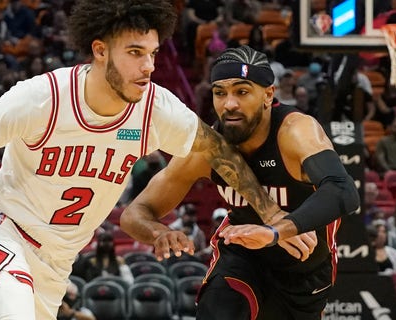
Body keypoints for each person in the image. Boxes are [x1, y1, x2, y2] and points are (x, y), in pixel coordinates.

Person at [0, 2, 288, 319]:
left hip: (58, 262)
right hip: (2, 233)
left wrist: (273, 214)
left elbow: (220, 152)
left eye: (152, 53)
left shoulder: (157, 110)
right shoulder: (41, 98)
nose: (148, 66)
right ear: (100, 51)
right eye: (134, 52)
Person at [121, 45, 359, 319]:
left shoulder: (295, 131)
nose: (229, 104)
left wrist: (276, 231)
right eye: (220, 93)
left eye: (242, 92)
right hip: (242, 257)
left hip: (304, 271)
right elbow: (134, 213)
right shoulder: (207, 148)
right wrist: (158, 232)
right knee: (219, 308)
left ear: (268, 94)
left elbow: (343, 191)